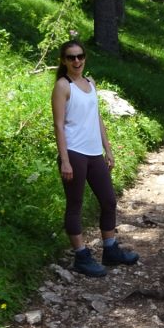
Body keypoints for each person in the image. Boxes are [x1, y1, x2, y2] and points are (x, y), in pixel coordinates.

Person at [51, 40, 139, 277]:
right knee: (75, 204)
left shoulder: (91, 83)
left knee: (109, 201)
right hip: (75, 154)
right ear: (63, 60)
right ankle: (81, 256)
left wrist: (107, 149)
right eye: (71, 57)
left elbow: (96, 117)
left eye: (80, 56)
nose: (76, 61)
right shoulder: (62, 86)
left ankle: (110, 250)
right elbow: (58, 126)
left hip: (94, 153)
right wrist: (65, 159)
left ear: (85, 58)